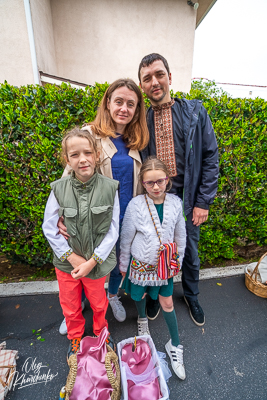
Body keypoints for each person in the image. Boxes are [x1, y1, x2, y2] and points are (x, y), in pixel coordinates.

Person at [58, 79, 149, 327]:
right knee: (85, 260)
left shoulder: (137, 141)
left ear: (137, 109)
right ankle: (77, 306)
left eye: (131, 104)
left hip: (126, 216)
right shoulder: (89, 135)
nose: (124, 108)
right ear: (107, 103)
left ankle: (111, 296)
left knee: (120, 261)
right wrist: (59, 214)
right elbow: (68, 177)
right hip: (92, 218)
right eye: (118, 101)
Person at [138, 53, 219, 326]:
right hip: (155, 200)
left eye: (159, 74)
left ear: (170, 78)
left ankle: (191, 295)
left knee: (190, 252)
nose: (154, 82)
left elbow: (210, 157)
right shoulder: (141, 121)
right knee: (154, 250)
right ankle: (155, 294)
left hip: (188, 199)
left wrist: (203, 202)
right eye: (147, 78)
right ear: (142, 86)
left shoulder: (195, 112)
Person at [42, 127, 120, 359]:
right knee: (70, 305)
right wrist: (72, 257)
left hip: (95, 266)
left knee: (98, 304)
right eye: (74, 155)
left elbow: (113, 230)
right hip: (67, 266)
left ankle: (100, 333)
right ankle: (75, 337)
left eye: (87, 153)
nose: (82, 159)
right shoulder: (59, 189)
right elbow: (49, 226)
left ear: (97, 155)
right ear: (67, 159)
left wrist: (92, 261)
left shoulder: (110, 188)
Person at [120, 156, 186, 380]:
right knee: (140, 294)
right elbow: (126, 237)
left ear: (167, 180)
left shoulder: (175, 203)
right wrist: (122, 263)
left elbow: (181, 236)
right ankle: (142, 320)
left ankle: (175, 345)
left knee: (167, 302)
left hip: (164, 266)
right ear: (143, 182)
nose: (156, 187)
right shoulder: (136, 205)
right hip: (140, 264)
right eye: (150, 183)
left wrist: (179, 260)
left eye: (160, 181)